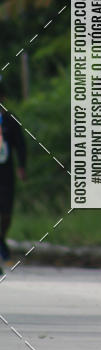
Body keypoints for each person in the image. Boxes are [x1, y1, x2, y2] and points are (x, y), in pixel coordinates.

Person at [0, 82, 26, 275]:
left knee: (6, 213)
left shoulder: (10, 120)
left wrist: (21, 166)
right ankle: (2, 251)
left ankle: (2, 240)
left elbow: (21, 145)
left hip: (6, 171)